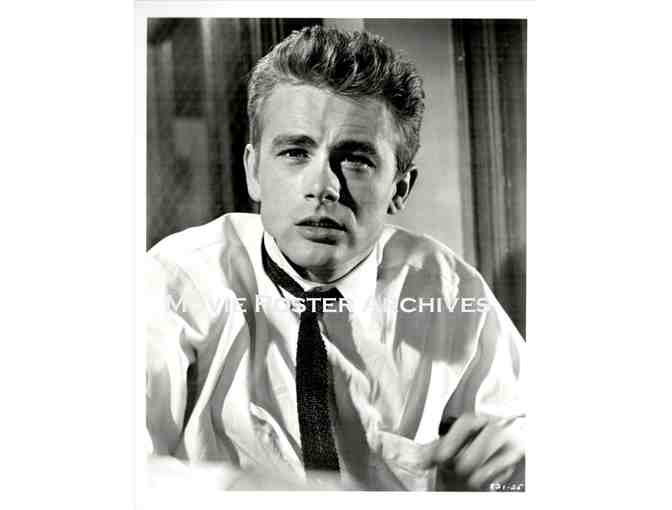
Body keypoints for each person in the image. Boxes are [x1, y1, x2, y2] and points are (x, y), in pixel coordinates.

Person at [145, 25, 525, 491]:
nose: (323, 187)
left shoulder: (449, 291)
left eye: (356, 160)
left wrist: (511, 468)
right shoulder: (176, 281)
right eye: (294, 152)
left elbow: (523, 436)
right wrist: (253, 491)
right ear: (253, 171)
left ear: (399, 188)